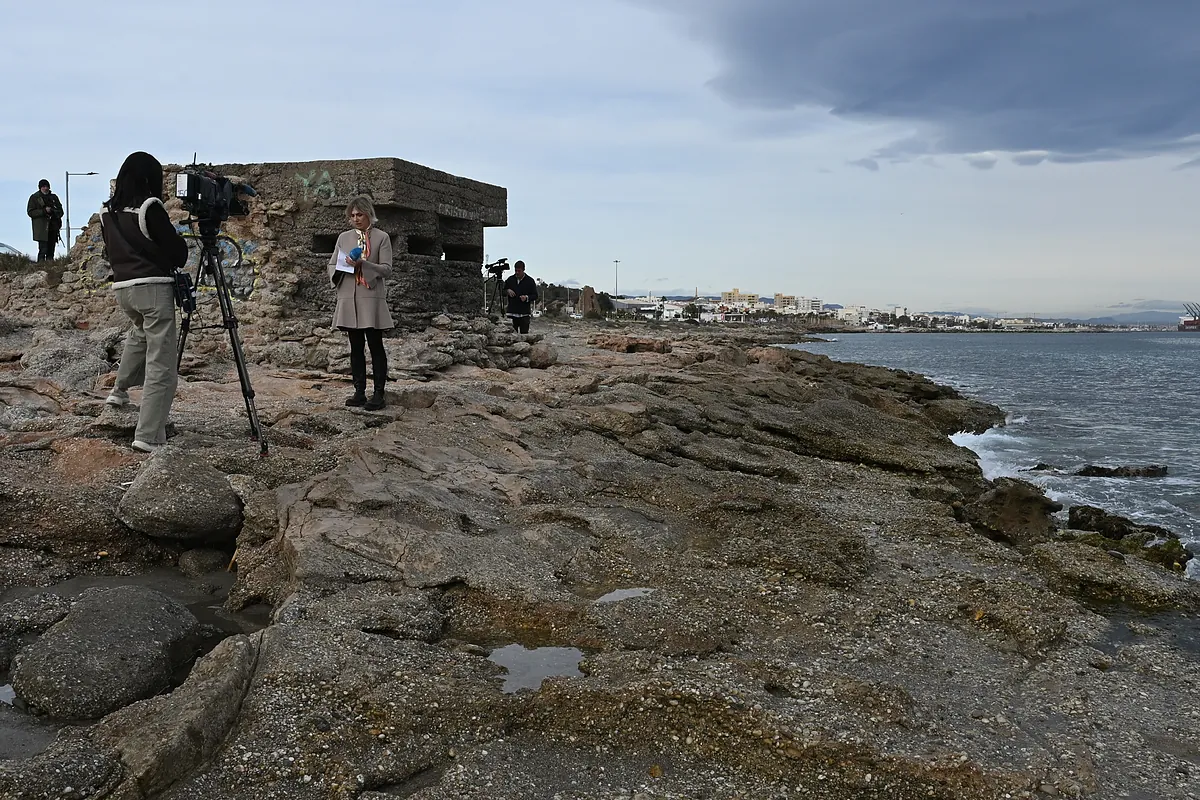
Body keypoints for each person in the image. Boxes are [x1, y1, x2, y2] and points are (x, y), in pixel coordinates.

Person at [99, 152, 189, 453]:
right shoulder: (149, 207)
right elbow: (177, 254)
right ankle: (148, 435)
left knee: (139, 335)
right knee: (161, 363)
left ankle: (119, 392)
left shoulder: (106, 213)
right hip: (152, 288)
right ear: (150, 178)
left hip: (124, 290)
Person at [328, 196, 393, 410]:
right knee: (355, 347)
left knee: (375, 346)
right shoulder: (343, 238)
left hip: (371, 298)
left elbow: (386, 269)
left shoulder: (382, 237)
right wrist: (341, 266)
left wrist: (364, 263)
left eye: (360, 214)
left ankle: (379, 393)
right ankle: (359, 392)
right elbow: (331, 265)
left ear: (369, 215)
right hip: (349, 297)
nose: (356, 219)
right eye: (352, 215)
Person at [27, 179, 64, 262]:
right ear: (40, 188)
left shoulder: (54, 197)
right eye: (43, 186)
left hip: (53, 227)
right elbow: (30, 212)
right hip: (42, 229)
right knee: (43, 250)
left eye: (47, 186)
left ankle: (50, 268)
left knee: (51, 250)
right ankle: (41, 268)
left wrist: (53, 211)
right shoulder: (35, 198)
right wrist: (43, 211)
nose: (45, 188)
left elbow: (61, 212)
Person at [504, 260, 539, 334]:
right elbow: (502, 291)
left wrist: (527, 298)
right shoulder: (510, 280)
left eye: (519, 271)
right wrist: (507, 290)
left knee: (524, 336)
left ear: (523, 270)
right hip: (511, 313)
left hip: (524, 314)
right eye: (515, 270)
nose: (517, 273)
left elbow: (535, 295)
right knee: (511, 336)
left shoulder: (530, 281)